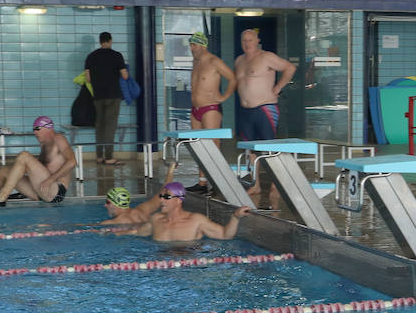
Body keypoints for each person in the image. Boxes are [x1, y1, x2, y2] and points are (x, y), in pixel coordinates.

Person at [233, 28, 296, 201]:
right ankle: (255, 185)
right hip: (245, 110)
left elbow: (290, 68)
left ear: (257, 40)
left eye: (250, 40)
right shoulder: (239, 61)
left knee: (269, 148)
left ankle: (276, 184)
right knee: (250, 150)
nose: (247, 44)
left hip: (265, 108)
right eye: (244, 40)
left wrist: (278, 87)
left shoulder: (267, 57)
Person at [0, 116, 72, 205]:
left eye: (37, 129)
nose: (35, 132)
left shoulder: (59, 138)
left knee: (24, 156)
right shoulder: (44, 145)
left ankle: (1, 198)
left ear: (48, 128)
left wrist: (51, 179)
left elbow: (72, 162)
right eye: (33, 130)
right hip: (41, 190)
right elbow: (39, 171)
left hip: (55, 191)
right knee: (5, 171)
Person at [184, 30, 237, 192]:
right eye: (190, 45)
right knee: (198, 145)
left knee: (213, 145)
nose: (191, 48)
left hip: (210, 109)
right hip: (195, 109)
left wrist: (223, 96)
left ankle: (218, 182)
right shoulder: (196, 62)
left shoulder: (214, 61)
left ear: (202, 45)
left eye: (194, 45)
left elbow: (233, 78)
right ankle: (202, 182)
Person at [112, 181, 252, 241]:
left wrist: (235, 217)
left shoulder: (196, 220)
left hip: (187, 266)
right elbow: (138, 232)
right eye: (161, 196)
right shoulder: (156, 220)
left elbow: (225, 235)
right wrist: (113, 232)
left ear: (179, 200)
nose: (161, 200)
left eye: (166, 197)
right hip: (160, 268)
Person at [84, 31, 129, 166]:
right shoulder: (116, 56)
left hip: (98, 96)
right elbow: (125, 76)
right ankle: (109, 157)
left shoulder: (91, 57)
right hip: (113, 95)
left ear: (100, 41)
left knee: (99, 126)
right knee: (110, 126)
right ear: (110, 41)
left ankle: (99, 156)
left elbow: (88, 78)